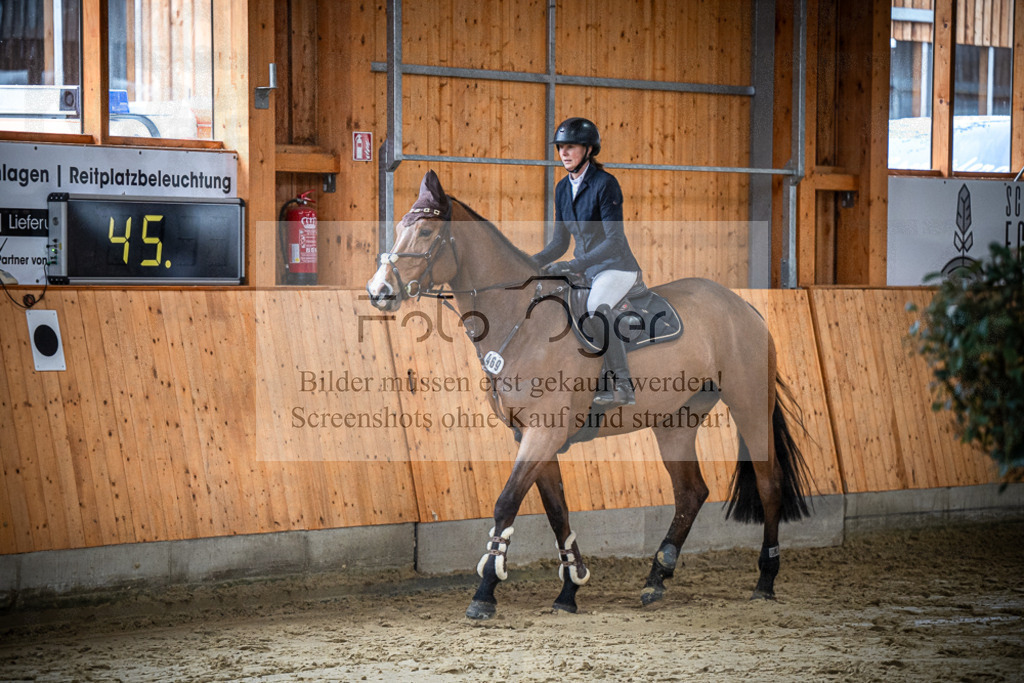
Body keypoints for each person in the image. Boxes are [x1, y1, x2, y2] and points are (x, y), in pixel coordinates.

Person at [533, 117, 641, 408]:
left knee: (595, 308)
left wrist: (573, 265)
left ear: (589, 150)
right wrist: (528, 262)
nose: (564, 153)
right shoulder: (561, 188)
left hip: (616, 267)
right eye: (560, 148)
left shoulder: (605, 184)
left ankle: (621, 383)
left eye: (571, 147)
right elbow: (559, 244)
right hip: (585, 269)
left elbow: (614, 241)